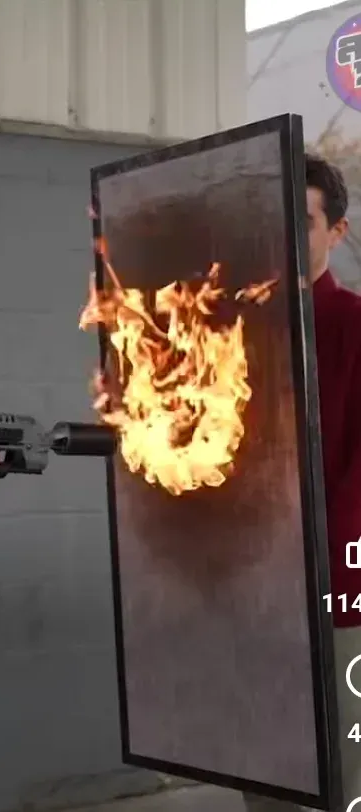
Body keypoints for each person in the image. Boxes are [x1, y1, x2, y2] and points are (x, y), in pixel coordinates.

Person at [243, 155, 361, 810]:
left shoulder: (353, 325)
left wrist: (328, 581)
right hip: (255, 590)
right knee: (269, 776)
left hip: (336, 594)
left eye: (304, 220)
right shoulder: (239, 329)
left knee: (343, 775)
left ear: (336, 231)